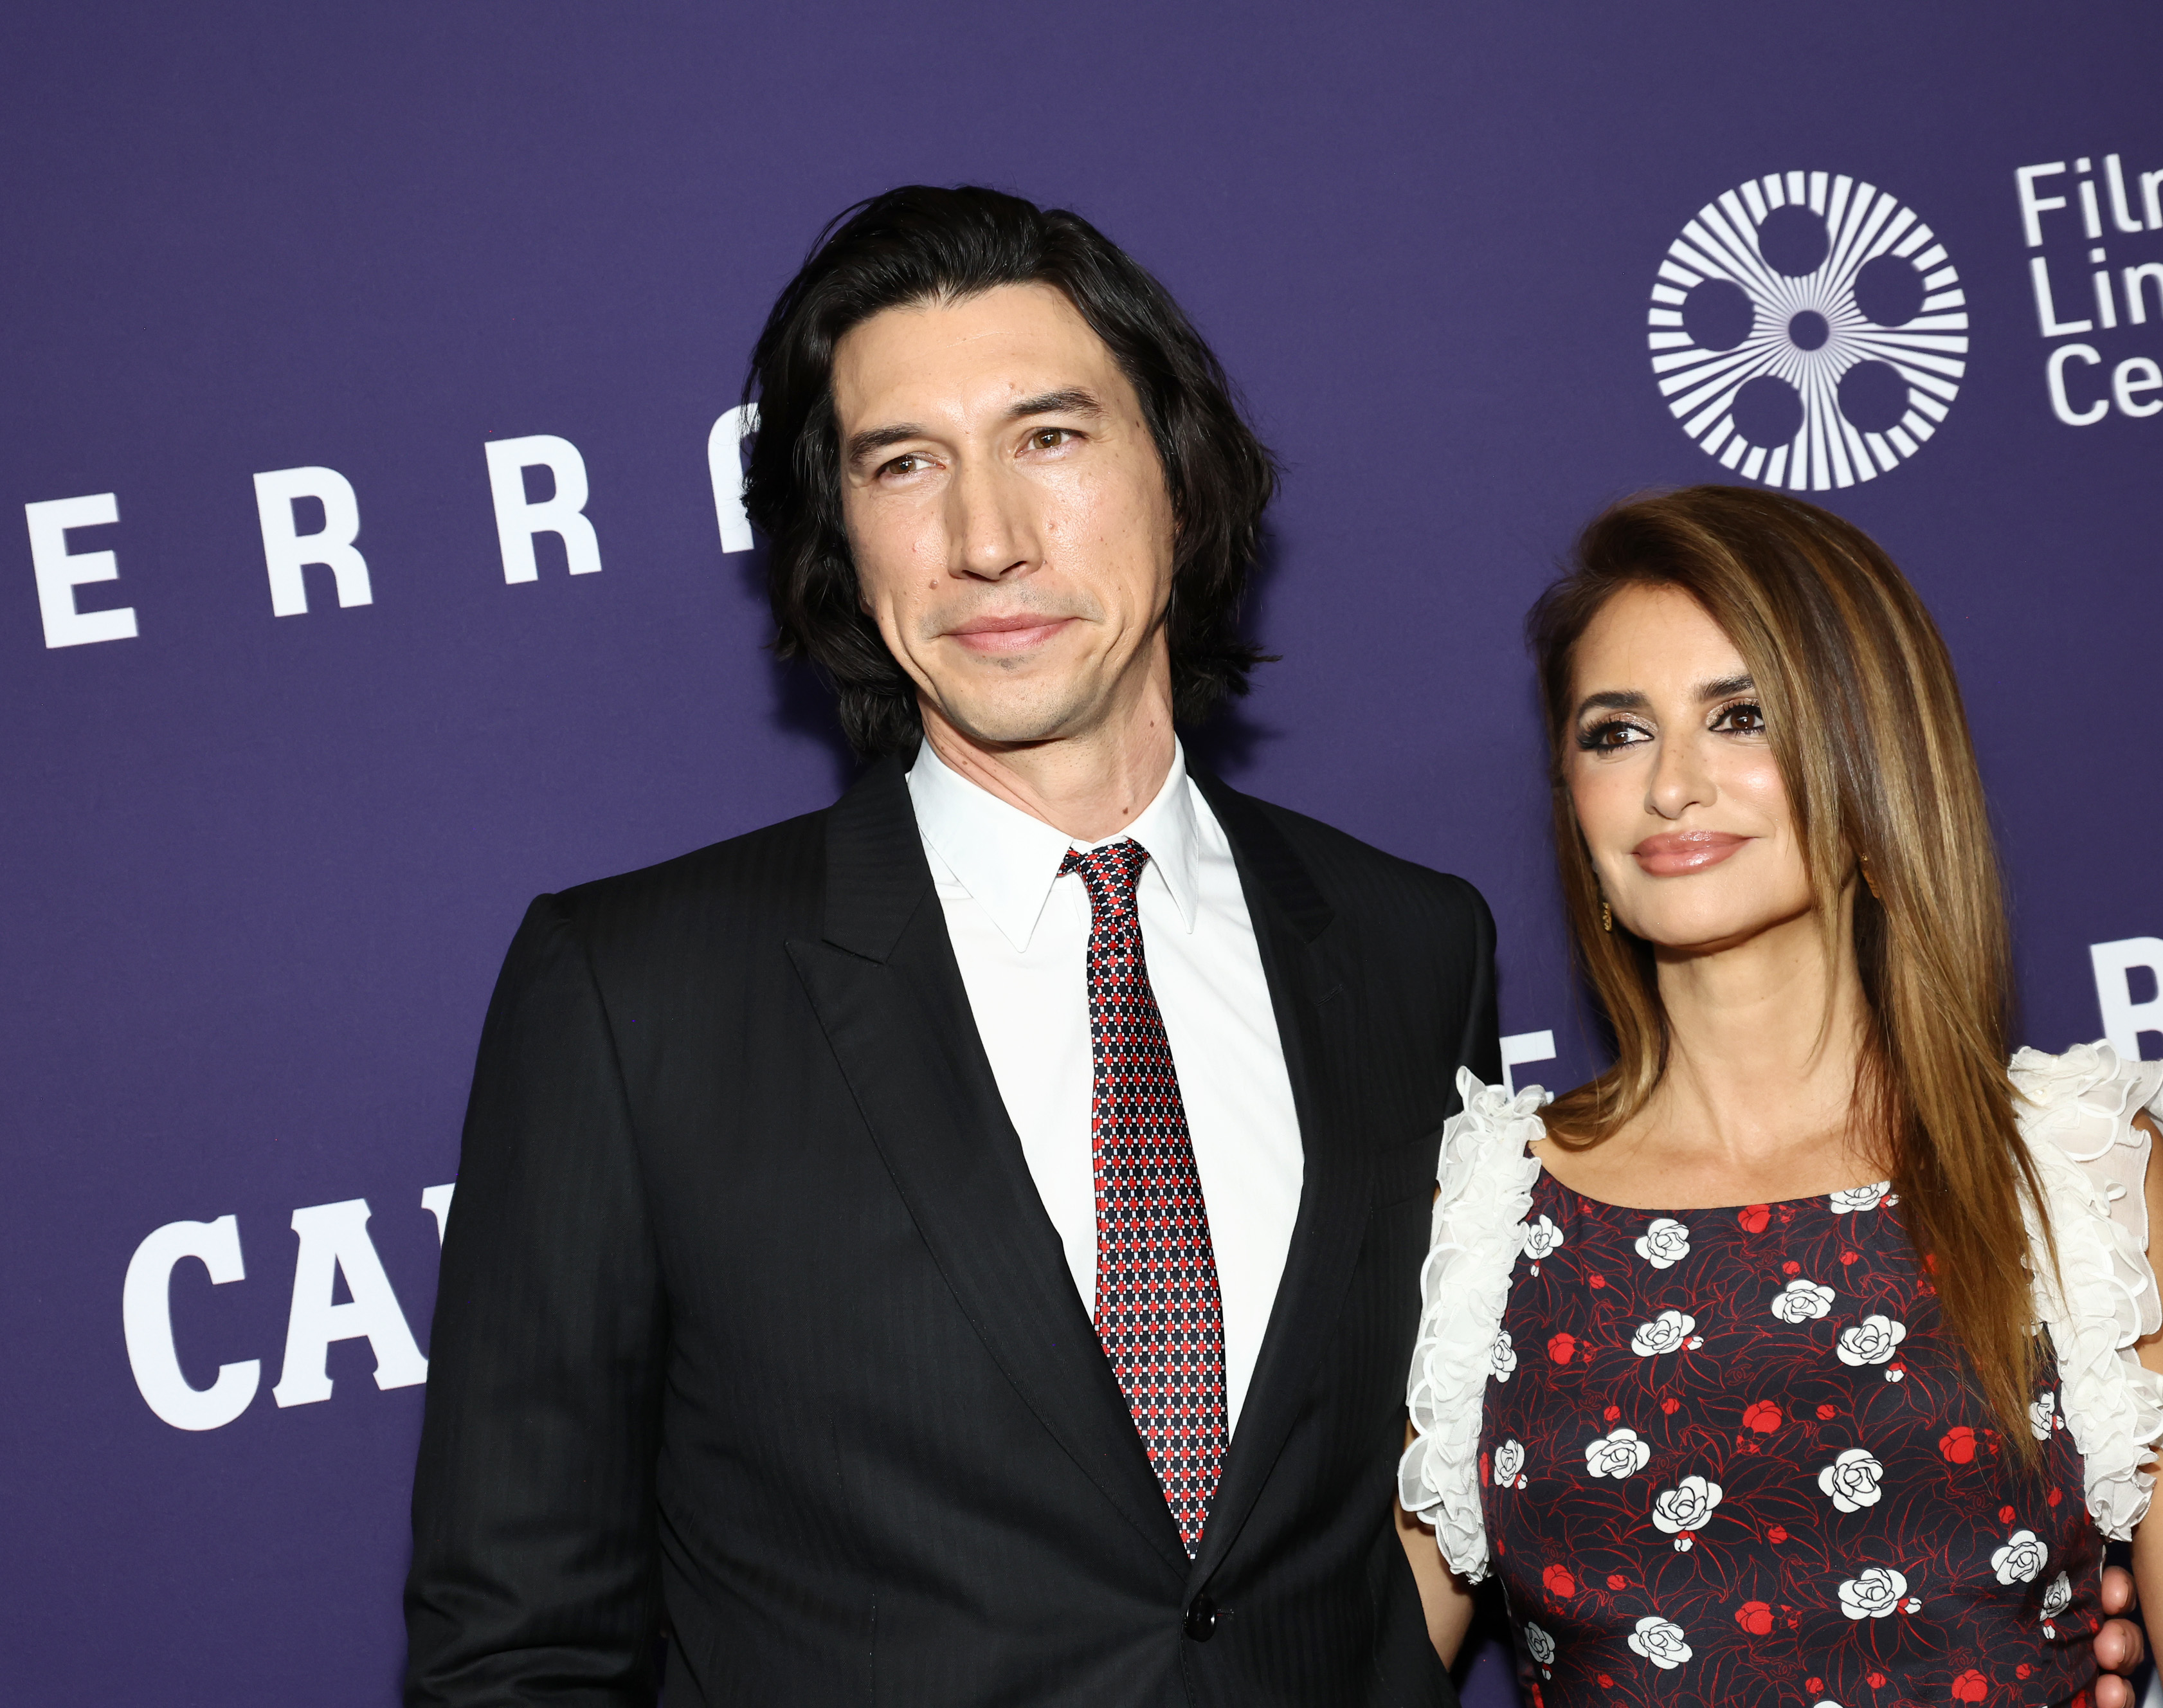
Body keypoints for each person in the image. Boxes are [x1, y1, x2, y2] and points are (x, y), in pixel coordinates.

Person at [401, 185, 1504, 1705]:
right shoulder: (631, 993)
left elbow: (1408, 1510)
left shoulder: (1411, 941)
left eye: (1050, 438)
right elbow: (519, 1645)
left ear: (1176, 479)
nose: (985, 539)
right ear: (843, 538)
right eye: (904, 464)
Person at [1396, 487, 2163, 1708]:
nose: (1673, 784)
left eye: (1742, 717)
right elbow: (1352, 1659)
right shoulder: (1485, 1209)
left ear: (1872, 763)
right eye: (1616, 733)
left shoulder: (2074, 1171)